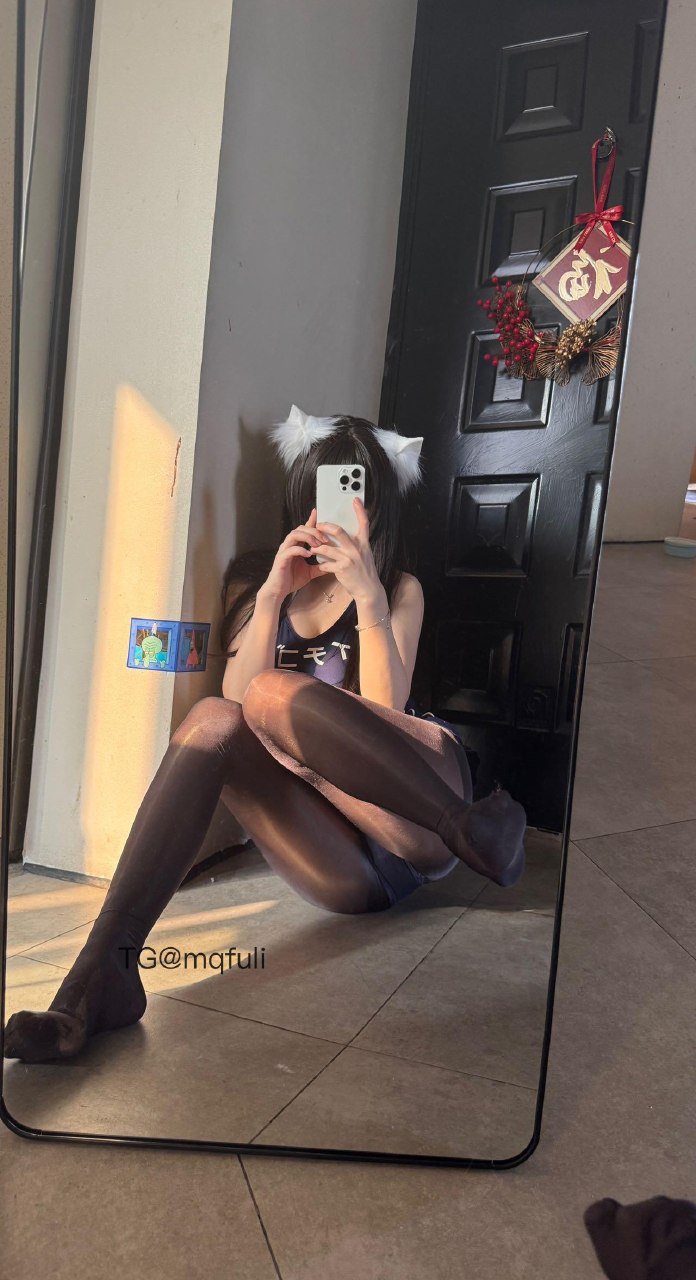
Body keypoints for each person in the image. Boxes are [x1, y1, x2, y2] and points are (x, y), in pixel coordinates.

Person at [3, 408, 526, 1064]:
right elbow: (233, 704)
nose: (338, 514)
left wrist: (366, 594)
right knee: (217, 717)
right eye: (324, 495)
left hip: (414, 809)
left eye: (354, 497)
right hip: (349, 864)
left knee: (272, 695)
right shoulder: (260, 586)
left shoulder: (397, 589)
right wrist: (275, 594)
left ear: (378, 509)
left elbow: (385, 712)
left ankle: (461, 823)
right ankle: (98, 979)